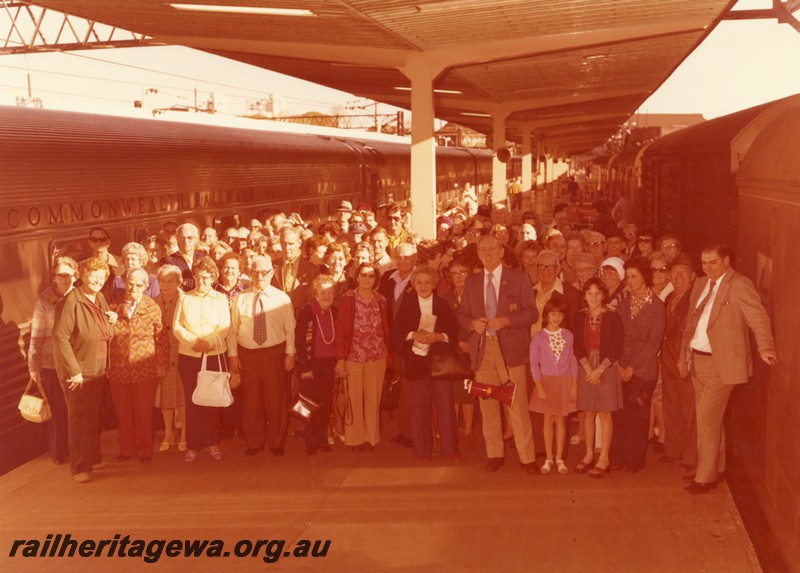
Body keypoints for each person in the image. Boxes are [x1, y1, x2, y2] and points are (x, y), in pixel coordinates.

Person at [679, 244, 777, 494]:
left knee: (706, 418)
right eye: (704, 263)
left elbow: (758, 317)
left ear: (726, 260)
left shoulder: (739, 284)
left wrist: (764, 346)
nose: (707, 268)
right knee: (711, 420)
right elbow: (691, 322)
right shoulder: (701, 284)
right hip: (696, 360)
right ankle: (717, 468)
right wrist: (684, 354)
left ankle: (705, 477)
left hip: (721, 364)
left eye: (713, 262)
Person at [457, 234, 539, 474]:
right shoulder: (471, 282)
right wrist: (473, 324)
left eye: (492, 249)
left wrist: (507, 320)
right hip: (483, 349)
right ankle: (494, 453)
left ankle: (527, 457)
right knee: (488, 403)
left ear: (502, 252)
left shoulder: (518, 277)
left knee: (517, 404)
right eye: (483, 250)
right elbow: (461, 315)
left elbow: (532, 313)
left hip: (510, 349)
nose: (487, 254)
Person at [52, 257, 117, 483]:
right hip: (78, 370)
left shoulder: (99, 297)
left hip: (97, 367)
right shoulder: (71, 302)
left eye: (103, 275)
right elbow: (60, 338)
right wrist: (74, 371)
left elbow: (106, 329)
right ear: (82, 275)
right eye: (94, 274)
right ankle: (79, 466)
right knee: (79, 418)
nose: (98, 279)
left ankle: (92, 458)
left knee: (92, 415)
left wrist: (113, 319)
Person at [229, 255, 296, 457]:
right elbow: (232, 330)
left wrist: (289, 354)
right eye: (255, 272)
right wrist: (233, 355)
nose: (260, 276)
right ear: (250, 273)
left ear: (272, 272)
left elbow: (290, 329)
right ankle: (254, 441)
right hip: (247, 354)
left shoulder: (282, 298)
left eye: (264, 272)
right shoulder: (240, 299)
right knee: (251, 400)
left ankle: (276, 442)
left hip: (274, 353)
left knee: (276, 400)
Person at [393, 266, 460, 462]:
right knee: (419, 407)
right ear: (413, 285)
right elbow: (397, 335)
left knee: (445, 406)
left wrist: (439, 336)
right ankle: (423, 451)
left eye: (427, 282)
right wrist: (413, 335)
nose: (423, 286)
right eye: (419, 283)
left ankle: (451, 449)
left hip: (439, 362)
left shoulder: (442, 304)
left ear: (434, 283)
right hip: (415, 363)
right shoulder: (406, 306)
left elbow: (452, 330)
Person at [172, 257, 231, 463]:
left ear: (213, 277)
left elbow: (225, 326)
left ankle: (212, 443)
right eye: (198, 277)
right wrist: (193, 341)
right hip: (189, 355)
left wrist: (209, 343)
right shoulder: (185, 298)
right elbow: (177, 326)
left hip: (214, 354)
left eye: (206, 277)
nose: (201, 281)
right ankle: (193, 445)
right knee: (193, 400)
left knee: (212, 400)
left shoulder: (221, 299)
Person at [610, 257, 665, 473]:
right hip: (621, 368)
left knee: (637, 418)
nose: (630, 281)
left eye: (634, 277)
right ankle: (618, 457)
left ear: (645, 277)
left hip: (643, 371)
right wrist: (620, 365)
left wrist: (632, 367)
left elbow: (653, 343)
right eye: (628, 277)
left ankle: (634, 460)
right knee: (619, 414)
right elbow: (617, 336)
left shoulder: (657, 307)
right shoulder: (624, 303)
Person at [108, 268, 168, 462]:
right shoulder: (114, 305)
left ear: (145, 286)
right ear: (125, 282)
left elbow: (161, 338)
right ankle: (126, 449)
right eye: (130, 283)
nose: (133, 288)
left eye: (138, 284)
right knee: (123, 412)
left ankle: (144, 450)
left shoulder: (152, 307)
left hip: (145, 367)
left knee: (143, 412)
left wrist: (161, 364)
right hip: (119, 368)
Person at [335, 262, 392, 452]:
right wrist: (341, 358)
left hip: (377, 354)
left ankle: (370, 438)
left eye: (371, 276)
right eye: (364, 275)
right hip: (354, 355)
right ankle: (354, 439)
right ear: (357, 277)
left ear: (376, 279)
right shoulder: (348, 299)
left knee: (373, 398)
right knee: (354, 398)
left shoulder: (381, 299)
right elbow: (342, 329)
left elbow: (386, 328)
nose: (367, 279)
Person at [28, 256, 78, 465]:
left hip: (78, 362)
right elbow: (36, 334)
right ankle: (59, 453)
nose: (64, 279)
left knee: (77, 410)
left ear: (75, 276)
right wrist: (33, 365)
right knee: (57, 410)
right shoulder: (44, 301)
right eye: (60, 275)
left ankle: (77, 449)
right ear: (54, 277)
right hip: (51, 364)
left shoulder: (81, 296)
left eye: (68, 275)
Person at [573, 278, 624, 478]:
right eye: (589, 293)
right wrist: (587, 368)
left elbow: (616, 347)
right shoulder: (579, 317)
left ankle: (604, 458)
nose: (593, 297)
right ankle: (588, 454)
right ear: (584, 296)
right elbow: (576, 345)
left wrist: (599, 370)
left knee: (604, 413)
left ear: (603, 295)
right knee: (588, 412)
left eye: (597, 293)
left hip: (606, 367)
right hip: (585, 365)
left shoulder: (612, 317)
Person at [528, 298, 578, 475]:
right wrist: (539, 387)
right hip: (546, 382)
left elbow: (572, 360)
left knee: (561, 421)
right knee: (548, 420)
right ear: (546, 315)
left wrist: (574, 385)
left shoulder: (568, 335)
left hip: (564, 382)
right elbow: (534, 364)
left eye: (560, 314)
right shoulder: (538, 337)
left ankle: (559, 458)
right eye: (553, 314)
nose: (556, 317)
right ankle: (549, 458)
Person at [659, 253, 697, 471]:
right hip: (667, 360)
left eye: (683, 272)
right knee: (671, 408)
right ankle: (673, 450)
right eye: (674, 272)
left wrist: (686, 358)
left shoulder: (695, 299)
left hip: (685, 362)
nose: (678, 276)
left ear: (693, 276)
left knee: (689, 410)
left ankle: (690, 456)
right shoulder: (669, 297)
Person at [295, 275, 338, 455]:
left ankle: (321, 440)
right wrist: (305, 367)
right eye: (322, 292)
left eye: (330, 292)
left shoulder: (335, 311)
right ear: (315, 294)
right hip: (310, 365)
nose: (327, 296)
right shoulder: (306, 312)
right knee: (309, 404)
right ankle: (310, 441)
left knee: (324, 404)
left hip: (329, 364)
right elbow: (299, 341)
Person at [442, 258, 477, 448]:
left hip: (472, 350)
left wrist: (471, 345)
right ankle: (453, 430)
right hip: (451, 350)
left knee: (468, 391)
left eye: (462, 272)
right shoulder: (445, 298)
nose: (458, 277)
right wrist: (453, 343)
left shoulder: (477, 296)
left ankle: (469, 430)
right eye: (454, 273)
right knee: (453, 393)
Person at [153, 264, 186, 452]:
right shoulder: (153, 301)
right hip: (162, 355)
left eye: (170, 281)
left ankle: (184, 434)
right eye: (162, 281)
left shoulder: (186, 300)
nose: (166, 285)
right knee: (165, 397)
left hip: (182, 353)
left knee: (182, 396)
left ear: (179, 282)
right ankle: (168, 433)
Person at [273, 226, 320, 313]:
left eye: (291, 244)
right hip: (277, 318)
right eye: (283, 243)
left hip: (301, 319)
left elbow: (316, 298)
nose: (287, 247)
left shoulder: (311, 269)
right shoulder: (272, 266)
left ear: (299, 243)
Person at [163, 223, 206, 291]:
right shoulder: (169, 261)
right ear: (177, 239)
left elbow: (212, 281)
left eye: (190, 238)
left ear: (196, 239)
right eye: (182, 238)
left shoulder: (204, 258)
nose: (186, 241)